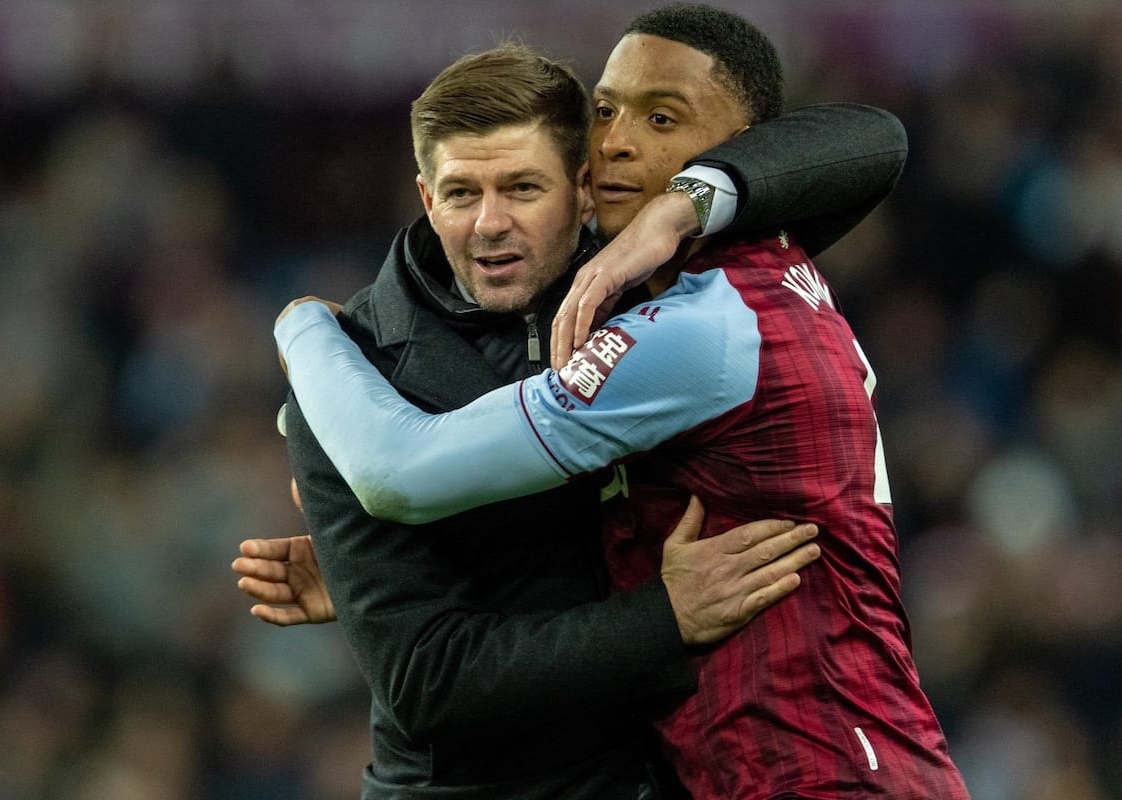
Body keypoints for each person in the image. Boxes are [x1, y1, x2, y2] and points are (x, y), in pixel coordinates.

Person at [274, 5, 970, 800]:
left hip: (816, 773)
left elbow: (874, 139)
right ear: (426, 198)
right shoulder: (354, 384)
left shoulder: (689, 312)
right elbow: (427, 680)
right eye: (605, 111)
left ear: (572, 190)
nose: (618, 141)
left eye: (523, 187)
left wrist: (297, 330)